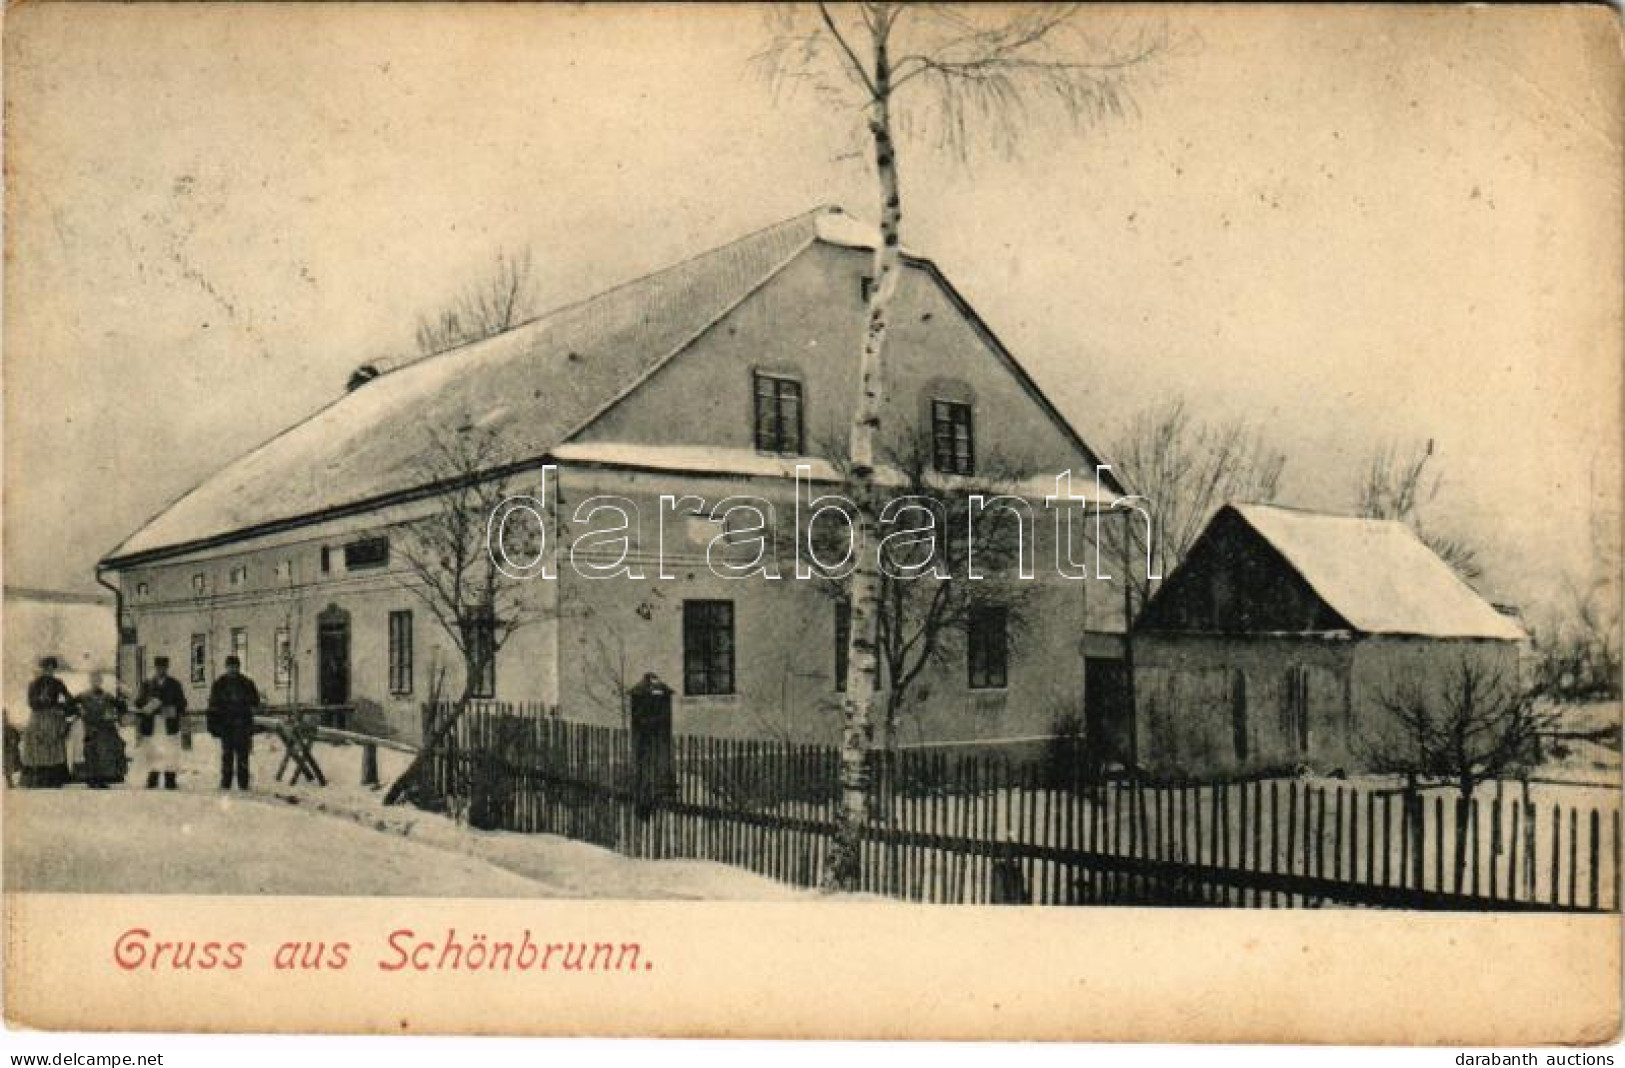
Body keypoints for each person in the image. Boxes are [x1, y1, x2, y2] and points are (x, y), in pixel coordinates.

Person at [207, 655, 260, 791]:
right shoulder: (219, 684)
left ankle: (243, 783)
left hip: (242, 723)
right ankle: (226, 782)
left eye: (235, 667)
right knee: (227, 754)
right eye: (230, 667)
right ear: (226, 667)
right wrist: (214, 725)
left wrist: (246, 703)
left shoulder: (247, 683)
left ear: (239, 667)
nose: (232, 669)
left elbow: (255, 701)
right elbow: (213, 705)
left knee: (243, 754)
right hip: (226, 724)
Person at [20, 656, 75, 788]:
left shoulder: (58, 683)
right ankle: (37, 779)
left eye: (51, 669)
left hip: (54, 718)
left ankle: (54, 779)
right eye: (46, 669)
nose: (49, 671)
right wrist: (40, 702)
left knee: (54, 747)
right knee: (37, 744)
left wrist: (61, 707)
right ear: (42, 669)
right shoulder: (34, 684)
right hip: (38, 717)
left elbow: (69, 700)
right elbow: (31, 702)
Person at [133, 656, 186, 790]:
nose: (161, 670)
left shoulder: (174, 684)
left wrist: (173, 708)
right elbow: (139, 701)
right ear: (155, 668)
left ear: (167, 668)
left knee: (170, 750)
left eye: (163, 667)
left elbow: (182, 703)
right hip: (152, 723)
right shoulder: (147, 684)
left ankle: (170, 778)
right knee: (153, 750)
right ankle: (153, 776)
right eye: (158, 668)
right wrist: (148, 705)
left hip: (169, 723)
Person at [74, 671, 129, 788]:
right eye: (93, 680)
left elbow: (121, 707)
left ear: (101, 682)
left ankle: (101, 778)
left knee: (103, 754)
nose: (96, 683)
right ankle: (91, 778)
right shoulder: (83, 695)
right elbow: (70, 705)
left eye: (98, 680)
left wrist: (122, 701)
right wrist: (79, 711)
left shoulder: (107, 696)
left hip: (104, 729)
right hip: (89, 727)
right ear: (90, 681)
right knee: (90, 753)